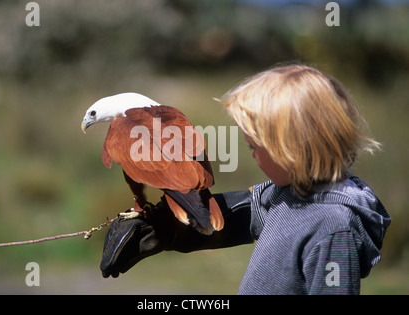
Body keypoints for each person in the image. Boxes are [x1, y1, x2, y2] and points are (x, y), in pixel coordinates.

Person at [99, 64, 391, 295]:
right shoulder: (285, 195)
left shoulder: (333, 228)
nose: (251, 155)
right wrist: (166, 228)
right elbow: (243, 214)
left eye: (254, 147)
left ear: (291, 149)